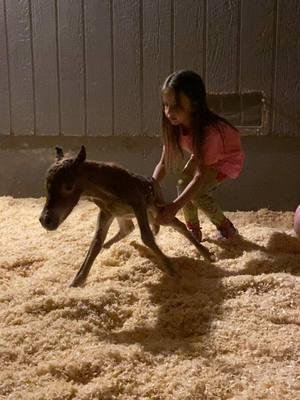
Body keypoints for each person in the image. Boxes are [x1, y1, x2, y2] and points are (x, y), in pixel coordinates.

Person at [152, 70, 245, 241]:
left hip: (225, 159)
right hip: (202, 153)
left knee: (198, 194)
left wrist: (174, 207)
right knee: (182, 183)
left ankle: (226, 228)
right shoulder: (174, 124)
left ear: (194, 105)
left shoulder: (210, 134)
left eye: (176, 106)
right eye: (166, 105)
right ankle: (193, 230)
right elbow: (163, 163)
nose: (169, 112)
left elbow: (199, 178)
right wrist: (150, 185)